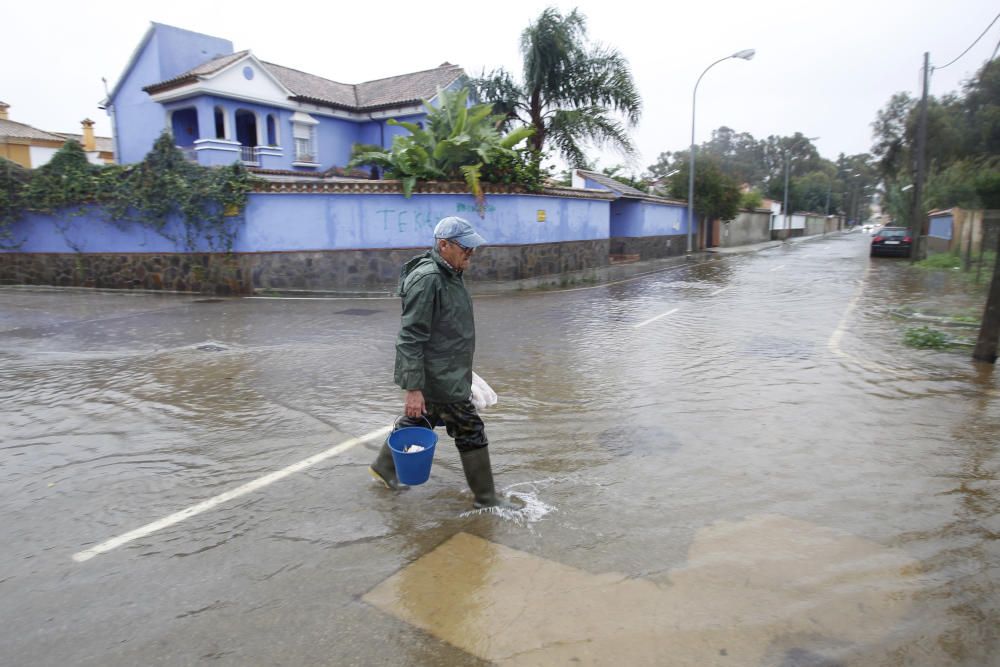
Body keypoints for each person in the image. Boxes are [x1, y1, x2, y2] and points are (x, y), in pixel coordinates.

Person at [369, 216, 516, 510]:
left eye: (472, 249)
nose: (470, 254)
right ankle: (486, 499)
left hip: (448, 371)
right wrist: (413, 388)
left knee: (421, 419)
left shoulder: (449, 274)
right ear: (444, 245)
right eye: (466, 248)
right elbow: (410, 337)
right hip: (440, 377)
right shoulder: (430, 280)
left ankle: (384, 468)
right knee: (469, 429)